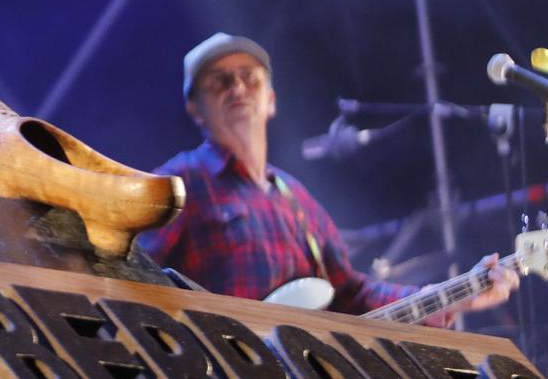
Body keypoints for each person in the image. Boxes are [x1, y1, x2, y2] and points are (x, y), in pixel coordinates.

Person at [139, 32, 518, 324]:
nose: (237, 88)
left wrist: (452, 294)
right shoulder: (180, 182)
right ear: (195, 108)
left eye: (248, 78)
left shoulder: (295, 198)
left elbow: (352, 293)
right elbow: (131, 273)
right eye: (219, 82)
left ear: (271, 99)